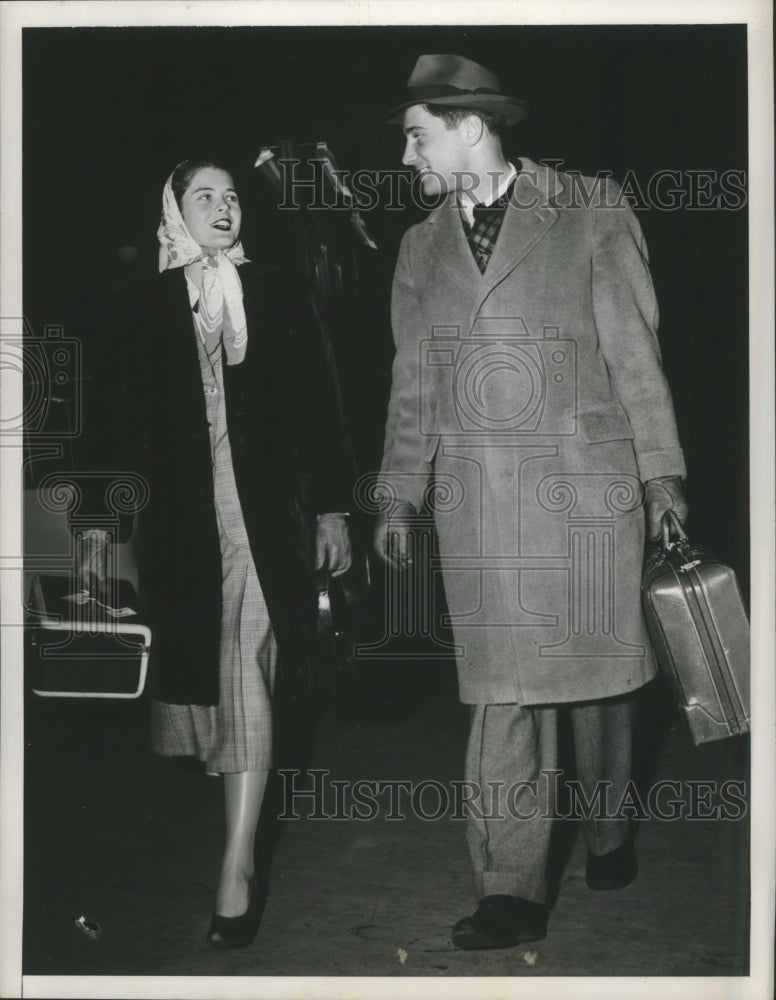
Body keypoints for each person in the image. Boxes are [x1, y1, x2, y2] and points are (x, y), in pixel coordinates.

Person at [374, 55, 688, 949]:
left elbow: (636, 352)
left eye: (416, 135)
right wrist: (397, 494)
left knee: (600, 690)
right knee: (503, 696)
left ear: (470, 126)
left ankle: (610, 827)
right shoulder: (417, 248)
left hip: (587, 492)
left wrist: (663, 472)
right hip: (478, 505)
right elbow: (413, 385)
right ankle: (510, 891)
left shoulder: (589, 208)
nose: (406, 157)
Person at [76, 159, 352, 948]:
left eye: (233, 197)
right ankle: (239, 843)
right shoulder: (137, 305)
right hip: (184, 530)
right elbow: (109, 420)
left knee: (249, 663)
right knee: (215, 677)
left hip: (270, 520)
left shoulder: (280, 292)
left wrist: (333, 505)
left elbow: (323, 404)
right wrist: (96, 520)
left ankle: (236, 866)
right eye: (206, 196)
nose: (225, 208)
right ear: (173, 211)